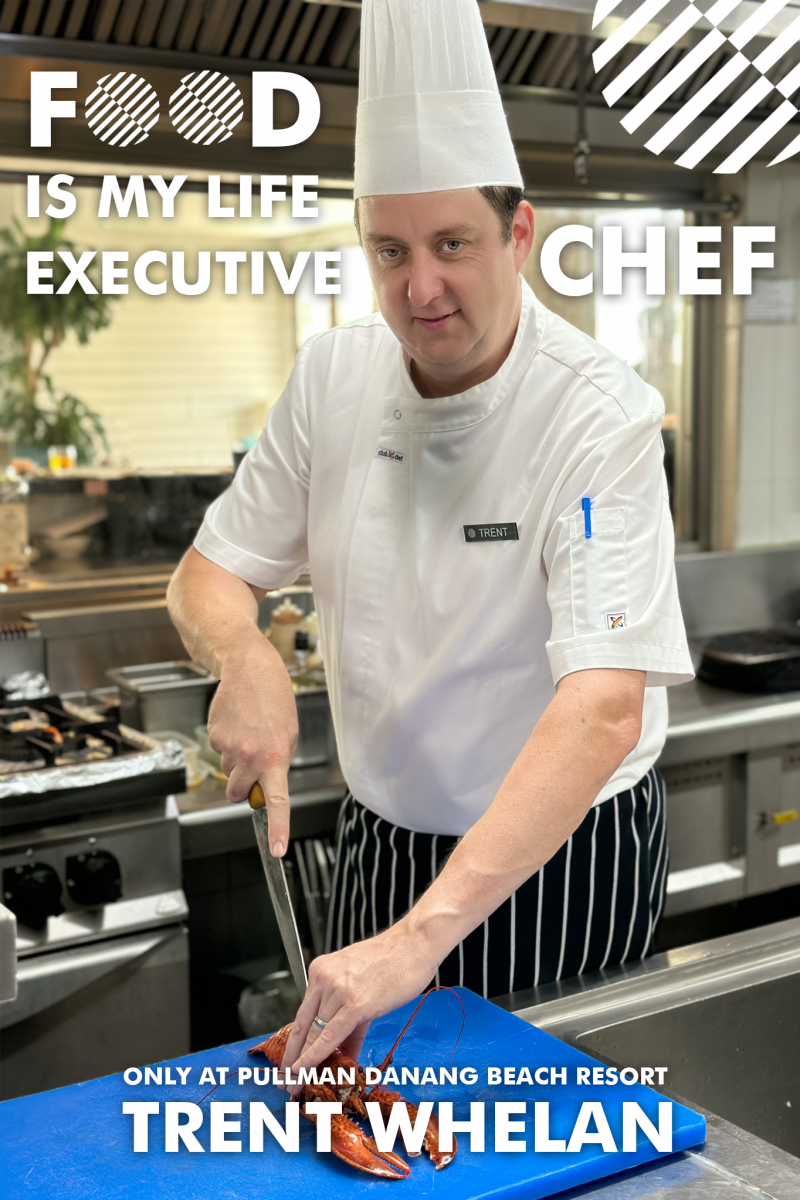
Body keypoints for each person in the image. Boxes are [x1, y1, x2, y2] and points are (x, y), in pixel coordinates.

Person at [167, 0, 693, 1082]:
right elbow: (208, 575)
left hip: (556, 862)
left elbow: (602, 707)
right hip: (383, 843)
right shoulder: (334, 377)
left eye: (452, 244)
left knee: (539, 1137)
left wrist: (423, 939)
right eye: (389, 250)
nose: (420, 287)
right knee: (363, 1117)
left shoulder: (597, 413)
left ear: (518, 233)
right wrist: (244, 655)